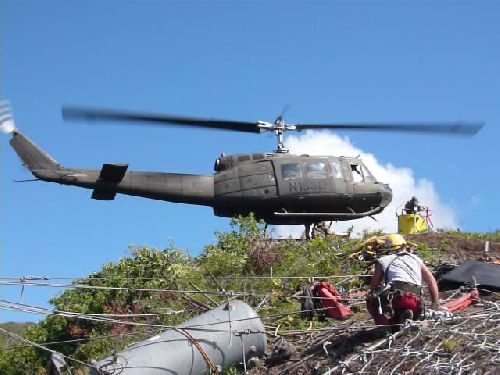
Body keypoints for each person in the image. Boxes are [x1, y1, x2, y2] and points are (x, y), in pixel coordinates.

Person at [366, 234, 439, 326]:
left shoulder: (383, 260)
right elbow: (431, 280)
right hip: (417, 300)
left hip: (398, 298)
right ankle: (410, 318)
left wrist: (376, 293)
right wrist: (435, 303)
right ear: (403, 246)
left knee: (371, 299)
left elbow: (374, 287)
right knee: (402, 316)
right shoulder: (416, 259)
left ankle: (383, 326)